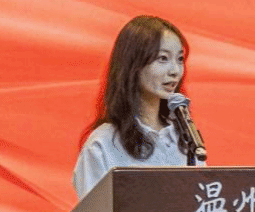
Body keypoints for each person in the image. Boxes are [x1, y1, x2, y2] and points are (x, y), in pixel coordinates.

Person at [72, 14, 203, 199]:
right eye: (163, 58)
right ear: (133, 64)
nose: (175, 71)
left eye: (180, 59)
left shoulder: (184, 137)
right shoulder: (102, 145)